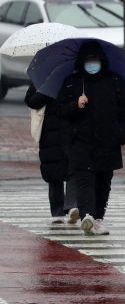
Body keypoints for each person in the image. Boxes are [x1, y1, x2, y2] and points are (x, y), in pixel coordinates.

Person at [56, 40, 125, 236]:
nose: (92, 63)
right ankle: (88, 216)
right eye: (88, 60)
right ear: (81, 61)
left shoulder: (115, 81)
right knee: (84, 180)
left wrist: (120, 135)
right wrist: (76, 104)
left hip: (109, 143)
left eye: (95, 59)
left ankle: (98, 218)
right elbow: (60, 110)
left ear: (102, 60)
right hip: (81, 143)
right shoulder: (73, 82)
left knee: (103, 182)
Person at [24, 84, 79, 224]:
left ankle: (72, 206)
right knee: (54, 171)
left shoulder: (74, 77)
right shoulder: (41, 79)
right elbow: (31, 101)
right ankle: (57, 212)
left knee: (75, 167)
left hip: (72, 131)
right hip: (49, 133)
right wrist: (47, 90)